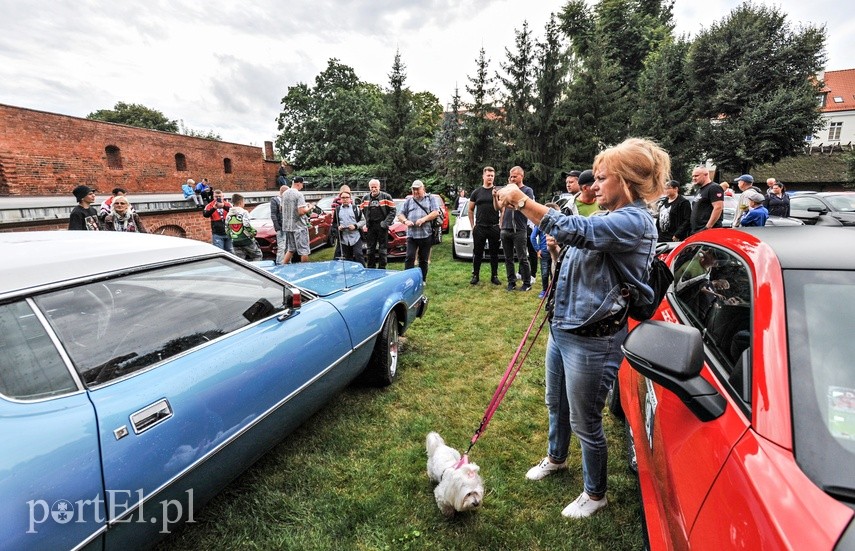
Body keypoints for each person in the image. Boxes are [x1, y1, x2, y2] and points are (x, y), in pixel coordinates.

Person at [496, 137, 668, 519]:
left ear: (624, 182)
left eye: (602, 178)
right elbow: (579, 249)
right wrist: (557, 251)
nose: (594, 186)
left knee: (586, 420)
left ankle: (595, 493)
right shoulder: (605, 218)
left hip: (594, 340)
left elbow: (575, 230)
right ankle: (557, 458)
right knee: (555, 404)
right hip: (563, 329)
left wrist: (521, 200)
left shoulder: (634, 221)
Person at [495, 166, 535, 291]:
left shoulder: (527, 190)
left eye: (515, 176)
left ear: (521, 176)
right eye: (511, 176)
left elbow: (523, 205)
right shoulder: (506, 190)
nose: (512, 179)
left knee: (522, 257)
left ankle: (527, 283)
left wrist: (511, 204)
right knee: (508, 258)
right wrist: (495, 197)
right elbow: (499, 206)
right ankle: (511, 282)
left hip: (520, 228)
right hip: (506, 228)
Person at [397, 180, 441, 283]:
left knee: (423, 259)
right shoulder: (408, 201)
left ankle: (422, 280)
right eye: (413, 189)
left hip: (426, 234)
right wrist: (405, 221)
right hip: (412, 235)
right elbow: (400, 214)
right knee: (409, 257)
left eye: (417, 189)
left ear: (423, 188)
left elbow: (436, 212)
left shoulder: (430, 199)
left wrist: (423, 219)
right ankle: (408, 280)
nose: (415, 191)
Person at [468, 166, 502, 285]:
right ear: (483, 176)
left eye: (492, 176)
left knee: (494, 253)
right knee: (478, 253)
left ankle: (494, 276)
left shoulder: (497, 192)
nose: (490, 178)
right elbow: (470, 209)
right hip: (480, 227)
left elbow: (502, 209)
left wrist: (500, 224)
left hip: (493, 227)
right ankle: (475, 275)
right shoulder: (476, 192)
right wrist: (473, 225)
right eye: (488, 175)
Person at [360, 179, 396, 269]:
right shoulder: (365, 198)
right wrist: (366, 221)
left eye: (375, 187)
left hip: (382, 227)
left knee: (382, 249)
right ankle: (371, 267)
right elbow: (361, 211)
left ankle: (382, 268)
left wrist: (385, 223)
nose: (374, 189)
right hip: (371, 227)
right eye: (372, 187)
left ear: (379, 187)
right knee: (370, 249)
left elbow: (393, 211)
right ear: (369, 188)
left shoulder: (386, 197)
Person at [281, 176, 313, 264]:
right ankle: (305, 269)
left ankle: (283, 266)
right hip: (299, 226)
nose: (302, 186)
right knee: (304, 250)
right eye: (302, 184)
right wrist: (309, 207)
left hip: (288, 226)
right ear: (298, 183)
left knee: (291, 249)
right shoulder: (299, 194)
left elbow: (281, 208)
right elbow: (301, 212)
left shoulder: (284, 194)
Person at [530, 202, 559, 298]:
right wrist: (538, 250)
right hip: (545, 252)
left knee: (550, 272)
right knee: (548, 272)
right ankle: (546, 291)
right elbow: (533, 237)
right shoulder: (540, 224)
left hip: (552, 251)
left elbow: (532, 237)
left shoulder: (545, 223)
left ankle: (550, 291)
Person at [225, 193, 263, 261]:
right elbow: (246, 224)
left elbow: (227, 228)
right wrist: (253, 232)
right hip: (246, 239)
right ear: (240, 202)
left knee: (240, 260)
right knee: (257, 255)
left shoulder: (229, 214)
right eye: (244, 202)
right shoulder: (244, 212)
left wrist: (232, 236)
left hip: (235, 241)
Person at [333, 190, 366, 265]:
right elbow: (334, 223)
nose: (345, 199)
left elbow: (363, 221)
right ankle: (351, 273)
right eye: (343, 197)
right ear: (340, 199)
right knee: (347, 258)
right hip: (344, 238)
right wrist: (338, 227)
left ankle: (364, 271)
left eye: (347, 197)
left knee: (358, 255)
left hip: (355, 237)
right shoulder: (337, 210)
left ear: (350, 199)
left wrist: (355, 226)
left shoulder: (356, 209)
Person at [689, 166, 724, 234]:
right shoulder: (699, 190)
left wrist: (708, 227)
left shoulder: (714, 187)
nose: (694, 178)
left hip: (708, 231)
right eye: (693, 176)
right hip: (697, 230)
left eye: (696, 176)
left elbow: (718, 207)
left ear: (706, 174)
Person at [270, 184, 289, 264]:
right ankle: (280, 263)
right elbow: (273, 214)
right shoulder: (275, 200)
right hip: (281, 227)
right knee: (281, 247)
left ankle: (287, 262)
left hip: (288, 227)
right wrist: (277, 227)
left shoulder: (287, 200)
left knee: (288, 247)